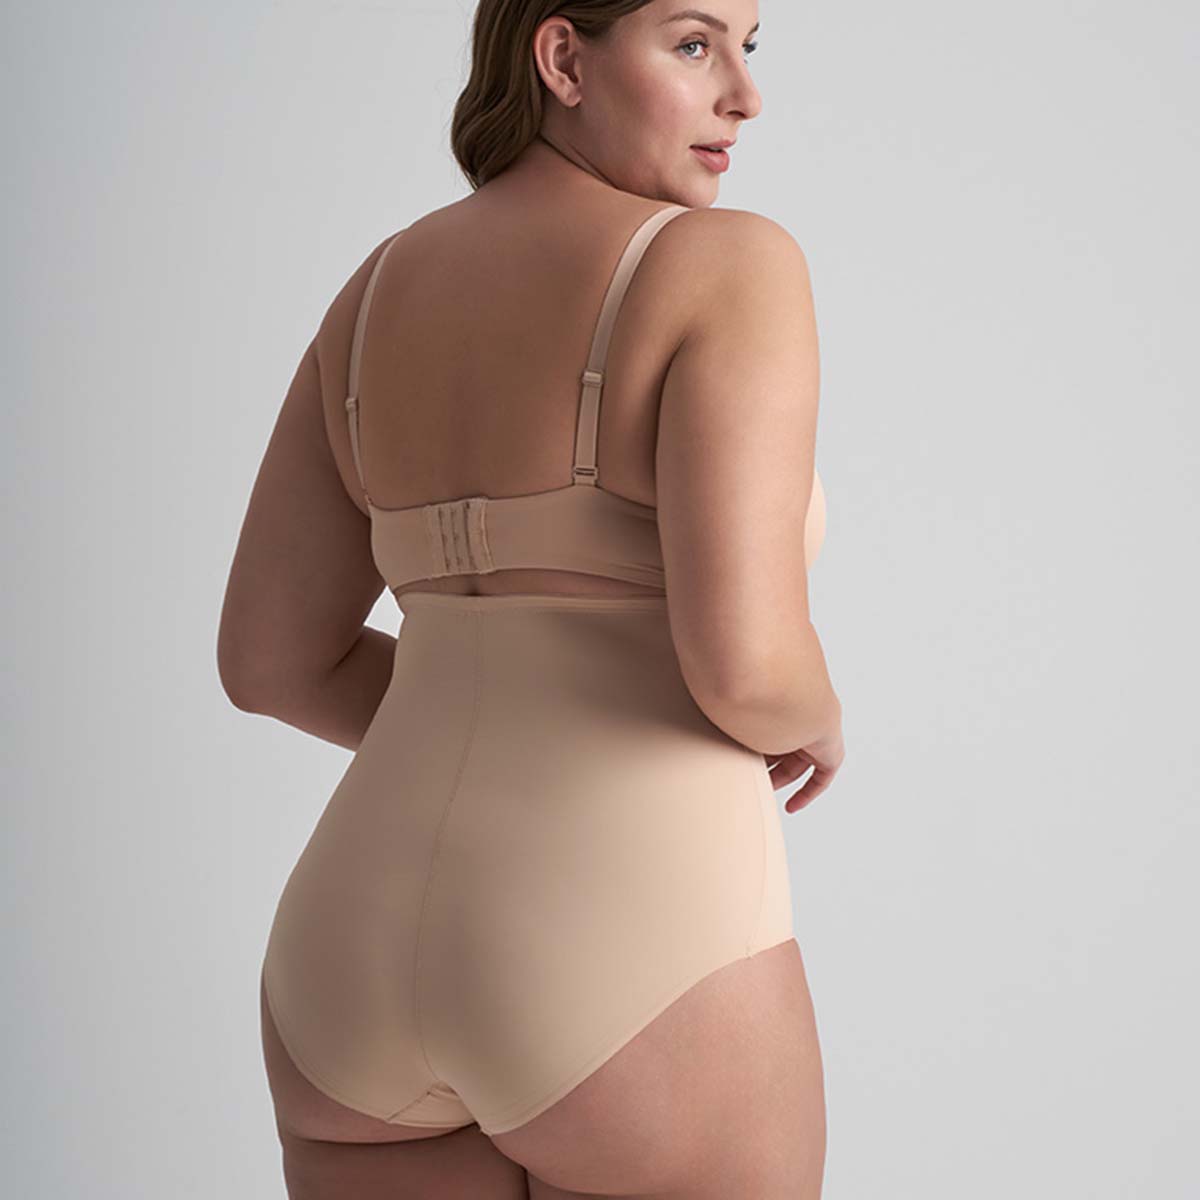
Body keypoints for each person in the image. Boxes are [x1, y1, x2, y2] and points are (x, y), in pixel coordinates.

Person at [217, 0, 844, 1195]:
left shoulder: (374, 291)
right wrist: (813, 712)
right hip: (631, 943)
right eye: (695, 44)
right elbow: (748, 667)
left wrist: (484, 714)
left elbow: (270, 663)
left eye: (749, 47)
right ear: (562, 57)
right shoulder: (727, 263)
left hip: (348, 960)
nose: (745, 95)